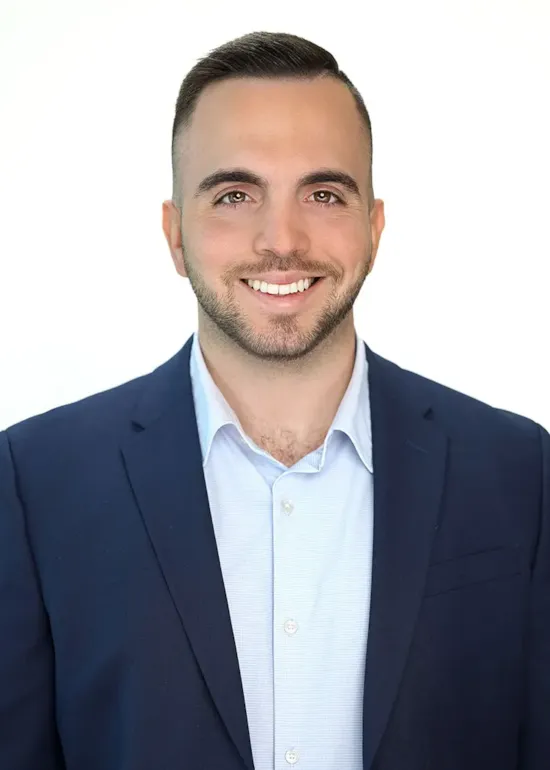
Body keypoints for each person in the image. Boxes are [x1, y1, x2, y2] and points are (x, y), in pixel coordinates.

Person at [0, 29, 548, 770]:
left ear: (374, 228)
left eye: (323, 193)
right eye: (234, 195)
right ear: (175, 235)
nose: (281, 239)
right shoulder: (34, 483)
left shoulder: (520, 473)